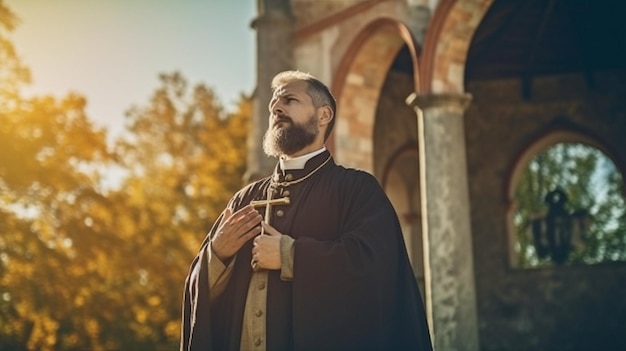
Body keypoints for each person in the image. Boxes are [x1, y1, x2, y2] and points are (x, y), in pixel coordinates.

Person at [180, 70, 432, 351]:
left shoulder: (356, 189)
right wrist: (217, 255)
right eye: (273, 104)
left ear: (323, 116)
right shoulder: (245, 199)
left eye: (289, 100)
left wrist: (290, 255)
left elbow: (376, 268)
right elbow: (198, 294)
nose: (276, 107)